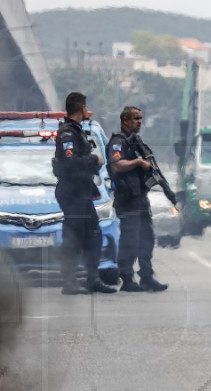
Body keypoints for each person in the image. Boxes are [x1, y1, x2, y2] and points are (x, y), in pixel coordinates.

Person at [53, 92, 117, 295]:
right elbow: (71, 164)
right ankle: (69, 282)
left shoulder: (78, 131)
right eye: (86, 106)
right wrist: (94, 160)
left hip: (81, 192)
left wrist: (92, 186)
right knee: (73, 237)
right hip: (71, 194)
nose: (88, 110)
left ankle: (92, 279)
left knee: (93, 236)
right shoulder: (67, 133)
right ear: (80, 108)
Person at [107, 106, 168, 292]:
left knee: (147, 238)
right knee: (130, 240)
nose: (139, 121)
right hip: (127, 200)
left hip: (140, 198)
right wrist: (138, 162)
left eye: (141, 118)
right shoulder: (118, 141)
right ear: (125, 120)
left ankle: (147, 277)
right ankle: (127, 278)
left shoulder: (137, 141)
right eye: (135, 118)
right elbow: (117, 165)